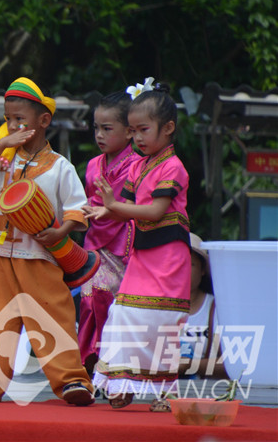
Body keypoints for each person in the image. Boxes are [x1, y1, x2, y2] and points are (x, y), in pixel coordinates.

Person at [0, 77, 94, 406]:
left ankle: (72, 382)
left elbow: (79, 207)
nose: (13, 125)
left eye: (20, 119)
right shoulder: (4, 159)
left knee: (53, 316)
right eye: (8, 119)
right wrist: (3, 143)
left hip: (40, 255)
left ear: (43, 121)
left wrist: (61, 231)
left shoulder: (60, 166)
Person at [88, 79, 192, 410]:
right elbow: (126, 210)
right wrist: (107, 209)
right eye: (132, 131)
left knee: (161, 322)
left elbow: (155, 210)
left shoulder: (174, 167)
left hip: (168, 258)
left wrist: (114, 207)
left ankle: (166, 391)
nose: (136, 138)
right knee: (123, 313)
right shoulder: (139, 166)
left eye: (143, 130)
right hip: (143, 255)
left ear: (168, 128)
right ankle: (122, 381)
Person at [78, 92, 142, 376]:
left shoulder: (136, 164)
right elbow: (92, 202)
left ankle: (112, 363)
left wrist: (90, 210)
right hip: (95, 244)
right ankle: (88, 362)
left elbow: (116, 205)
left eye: (107, 128)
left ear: (129, 132)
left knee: (114, 305)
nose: (100, 135)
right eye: (96, 128)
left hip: (122, 244)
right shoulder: (94, 164)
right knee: (91, 299)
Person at [178, 234, 228, 379]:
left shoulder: (216, 310)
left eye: (190, 264)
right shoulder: (154, 308)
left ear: (202, 270)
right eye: (176, 263)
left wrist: (191, 365)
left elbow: (231, 364)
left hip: (204, 394)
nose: (181, 270)